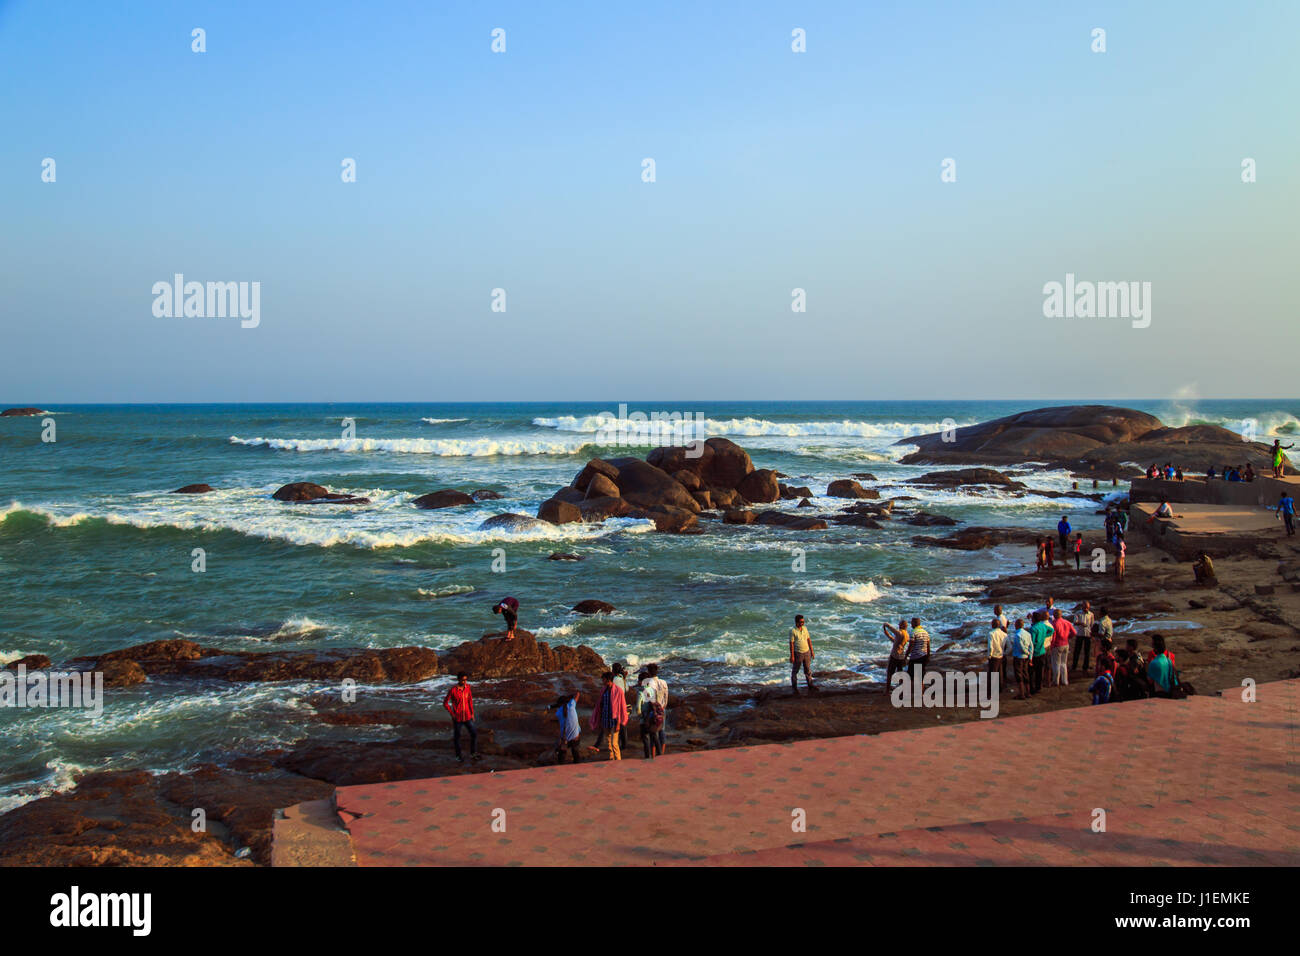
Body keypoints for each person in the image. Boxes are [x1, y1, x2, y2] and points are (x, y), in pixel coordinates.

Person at [589, 671, 628, 760]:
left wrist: (618, 723)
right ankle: (611, 759)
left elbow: (620, 707)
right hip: (605, 719)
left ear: (608, 679)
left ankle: (618, 760)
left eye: (603, 679)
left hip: (614, 720)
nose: (602, 681)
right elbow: (600, 705)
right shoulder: (604, 690)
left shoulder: (618, 691)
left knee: (614, 743)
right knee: (609, 742)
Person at [443, 672, 478, 762]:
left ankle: (473, 753)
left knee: (474, 734)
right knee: (457, 737)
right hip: (458, 718)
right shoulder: (453, 690)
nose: (465, 682)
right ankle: (458, 756)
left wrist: (472, 713)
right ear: (458, 680)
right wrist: (452, 714)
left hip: (468, 716)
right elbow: (445, 703)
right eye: (463, 680)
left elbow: (470, 700)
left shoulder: (468, 688)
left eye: (466, 680)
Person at [636, 671, 664, 758]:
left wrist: (639, 716)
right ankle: (659, 754)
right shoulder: (652, 690)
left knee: (645, 738)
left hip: (644, 719)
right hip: (652, 717)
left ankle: (647, 756)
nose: (638, 682)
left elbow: (638, 708)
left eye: (639, 680)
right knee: (654, 735)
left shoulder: (640, 692)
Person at [551, 691, 582, 763]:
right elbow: (577, 693)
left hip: (566, 740)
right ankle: (577, 763)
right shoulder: (571, 705)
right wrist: (569, 697)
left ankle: (561, 764)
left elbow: (561, 721)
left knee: (561, 752)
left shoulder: (558, 712)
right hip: (576, 738)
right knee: (575, 752)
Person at [645, 663, 669, 754]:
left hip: (653, 710)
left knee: (653, 732)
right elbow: (666, 696)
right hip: (662, 708)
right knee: (662, 731)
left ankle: (654, 753)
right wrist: (663, 706)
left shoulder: (649, 683)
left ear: (649, 672)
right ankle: (662, 752)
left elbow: (649, 699)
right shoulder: (663, 682)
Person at [789, 614, 815, 695]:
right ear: (797, 622)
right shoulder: (793, 630)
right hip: (798, 653)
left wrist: (812, 651)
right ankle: (794, 687)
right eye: (801, 622)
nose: (802, 623)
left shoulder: (805, 628)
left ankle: (810, 685)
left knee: (807, 670)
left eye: (803, 622)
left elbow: (809, 640)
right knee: (795, 671)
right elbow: (791, 644)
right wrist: (792, 656)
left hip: (806, 652)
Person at [1008, 617, 1034, 699]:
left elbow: (1021, 647)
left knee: (1019, 676)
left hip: (1019, 657)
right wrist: (1030, 656)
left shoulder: (1017, 635)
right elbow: (1031, 646)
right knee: (1026, 674)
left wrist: (1026, 652)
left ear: (1017, 625)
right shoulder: (1028, 634)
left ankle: (1021, 694)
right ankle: (1028, 692)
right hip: (1026, 657)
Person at [1029, 611, 1052, 694]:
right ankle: (1039, 687)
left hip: (1035, 653)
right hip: (1042, 651)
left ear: (1034, 619)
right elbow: (1051, 630)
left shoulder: (1033, 628)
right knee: (1039, 671)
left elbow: (1031, 642)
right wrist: (1044, 637)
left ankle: (1032, 688)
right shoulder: (1043, 625)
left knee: (1031, 672)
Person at [1049, 609, 1074, 686]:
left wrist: (1051, 646)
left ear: (1054, 615)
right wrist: (1068, 637)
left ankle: (1056, 681)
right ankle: (1064, 681)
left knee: (1056, 663)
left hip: (1057, 645)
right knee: (1063, 663)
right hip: (1065, 644)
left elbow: (1053, 637)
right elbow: (1074, 632)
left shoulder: (1054, 623)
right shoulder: (1067, 622)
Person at [882, 619, 910, 687]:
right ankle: (902, 688)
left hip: (895, 656)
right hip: (901, 656)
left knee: (890, 673)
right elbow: (895, 641)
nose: (898, 625)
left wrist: (887, 625)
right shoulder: (907, 635)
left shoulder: (900, 633)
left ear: (902, 625)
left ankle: (887, 690)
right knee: (900, 673)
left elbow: (894, 630)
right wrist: (888, 634)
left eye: (899, 624)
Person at [1072, 601, 1095, 673]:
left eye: (1087, 608)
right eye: (1085, 607)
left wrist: (1092, 634)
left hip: (1088, 634)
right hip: (1080, 634)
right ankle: (1074, 666)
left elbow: (1092, 625)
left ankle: (1085, 667)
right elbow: (1074, 622)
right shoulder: (1078, 613)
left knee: (1087, 652)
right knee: (1077, 651)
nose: (1086, 609)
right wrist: (1081, 623)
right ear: (1082, 607)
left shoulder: (1091, 614)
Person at [987, 615, 1007, 684]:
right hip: (1001, 655)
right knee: (1000, 672)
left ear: (993, 625)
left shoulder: (991, 633)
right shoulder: (1004, 634)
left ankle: (993, 690)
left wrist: (989, 655)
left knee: (993, 673)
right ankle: (1000, 688)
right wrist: (1004, 653)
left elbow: (990, 646)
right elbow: (1010, 647)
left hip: (994, 656)